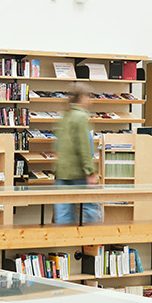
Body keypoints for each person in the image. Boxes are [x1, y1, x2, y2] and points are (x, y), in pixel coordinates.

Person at [53, 84, 101, 224]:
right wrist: (89, 172)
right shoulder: (80, 117)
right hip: (79, 172)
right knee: (90, 207)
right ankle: (91, 240)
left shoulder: (65, 116)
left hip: (62, 172)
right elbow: (84, 147)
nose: (90, 101)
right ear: (82, 97)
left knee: (63, 210)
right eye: (89, 97)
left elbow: (58, 143)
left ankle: (64, 240)